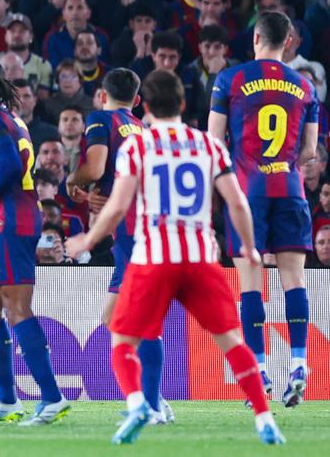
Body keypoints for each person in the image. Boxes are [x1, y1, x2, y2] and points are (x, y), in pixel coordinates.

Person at [66, 70, 285, 445]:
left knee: (122, 337)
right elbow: (236, 202)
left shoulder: (137, 147)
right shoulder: (209, 146)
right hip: (200, 256)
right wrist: (249, 247)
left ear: (145, 107)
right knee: (232, 340)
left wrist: (87, 240)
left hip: (153, 256)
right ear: (183, 105)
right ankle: (264, 418)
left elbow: (118, 207)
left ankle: (139, 402)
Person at [207, 11, 318, 408]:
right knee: (294, 280)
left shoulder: (230, 80)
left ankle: (260, 373)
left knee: (251, 282)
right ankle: (300, 364)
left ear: (256, 38)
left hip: (247, 193)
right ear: (288, 41)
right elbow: (308, 151)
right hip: (290, 190)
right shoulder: (305, 86)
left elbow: (214, 141)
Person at [0, 59, 70, 426]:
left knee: (16, 309)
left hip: (10, 219)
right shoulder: (11, 117)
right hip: (12, 217)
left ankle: (52, 397)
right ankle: (7, 400)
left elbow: (8, 166)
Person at [64, 68, 173, 421]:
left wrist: (72, 179)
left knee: (133, 320)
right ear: (137, 101)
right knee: (116, 318)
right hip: (144, 224)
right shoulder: (143, 128)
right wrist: (110, 199)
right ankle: (154, 399)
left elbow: (95, 169)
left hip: (132, 230)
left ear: (101, 95)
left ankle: (153, 403)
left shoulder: (101, 119)